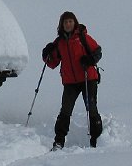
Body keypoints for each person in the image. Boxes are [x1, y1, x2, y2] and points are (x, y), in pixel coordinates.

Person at [42, 10, 103, 149]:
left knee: (91, 108)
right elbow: (52, 63)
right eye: (65, 22)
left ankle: (96, 139)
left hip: (88, 78)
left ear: (74, 23)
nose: (68, 24)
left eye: (70, 21)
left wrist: (91, 59)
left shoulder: (83, 37)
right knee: (65, 111)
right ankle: (59, 141)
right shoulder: (59, 43)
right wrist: (46, 54)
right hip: (70, 82)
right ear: (61, 25)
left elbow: (98, 51)